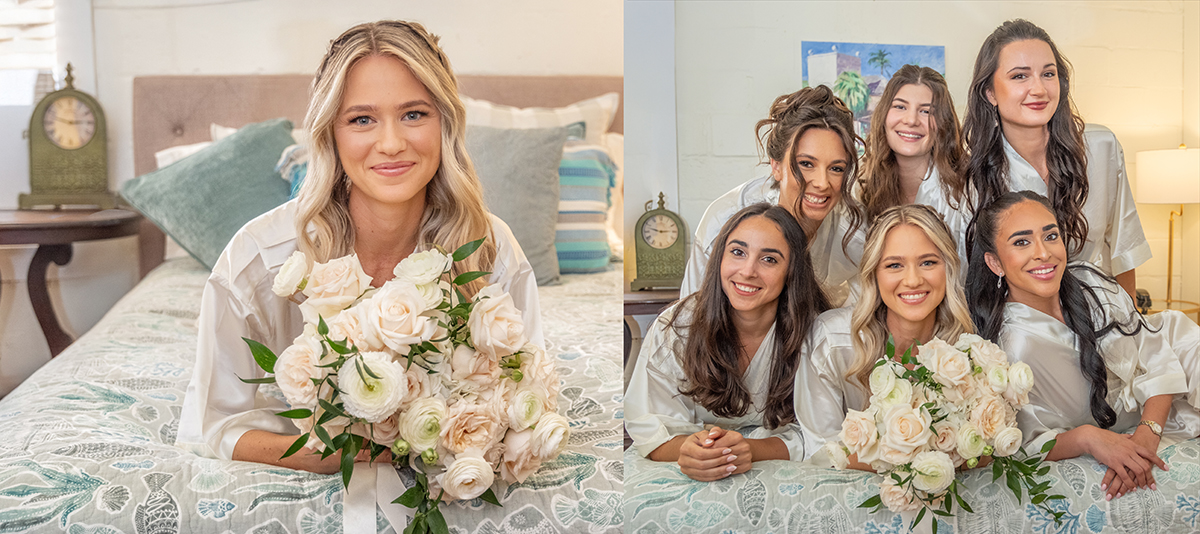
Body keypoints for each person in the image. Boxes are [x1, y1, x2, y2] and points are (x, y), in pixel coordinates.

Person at [177, 21, 542, 473]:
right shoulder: (258, 259)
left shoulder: (491, 251)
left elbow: (524, 398)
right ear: (331, 132)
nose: (390, 143)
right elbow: (208, 427)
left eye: (414, 114)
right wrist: (314, 456)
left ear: (445, 123)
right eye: (361, 119)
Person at [966, 190, 1200, 501]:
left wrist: (1148, 434)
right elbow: (1029, 440)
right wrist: (1087, 438)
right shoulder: (1012, 347)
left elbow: (1156, 358)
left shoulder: (1091, 282)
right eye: (1022, 242)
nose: (1043, 253)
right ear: (995, 263)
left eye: (1050, 236)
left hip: (1182, 354)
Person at [626, 203, 830, 481]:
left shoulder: (818, 334)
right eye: (737, 252)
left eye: (769, 259)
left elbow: (822, 435)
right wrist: (689, 450)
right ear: (719, 258)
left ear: (792, 271)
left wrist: (749, 449)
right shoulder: (676, 327)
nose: (747, 271)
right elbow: (651, 425)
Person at [963, 19, 1148, 299]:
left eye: (1048, 74)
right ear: (990, 92)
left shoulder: (1101, 147)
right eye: (1019, 76)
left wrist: (1132, 328)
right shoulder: (970, 173)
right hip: (1018, 325)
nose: (1038, 89)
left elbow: (1124, 249)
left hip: (1101, 313)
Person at [795, 204, 973, 468]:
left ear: (948, 268)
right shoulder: (832, 341)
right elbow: (821, 452)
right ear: (873, 274)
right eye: (894, 265)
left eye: (928, 262)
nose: (912, 280)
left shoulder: (967, 348)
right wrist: (914, 463)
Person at [680, 85, 866, 306]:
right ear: (776, 166)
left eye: (836, 168)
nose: (822, 183)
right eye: (806, 164)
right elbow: (689, 318)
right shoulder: (724, 222)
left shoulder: (855, 232)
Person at [858, 65, 971, 265]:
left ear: (943, 123)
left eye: (926, 111)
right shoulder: (860, 185)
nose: (911, 120)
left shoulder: (969, 190)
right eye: (900, 107)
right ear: (884, 115)